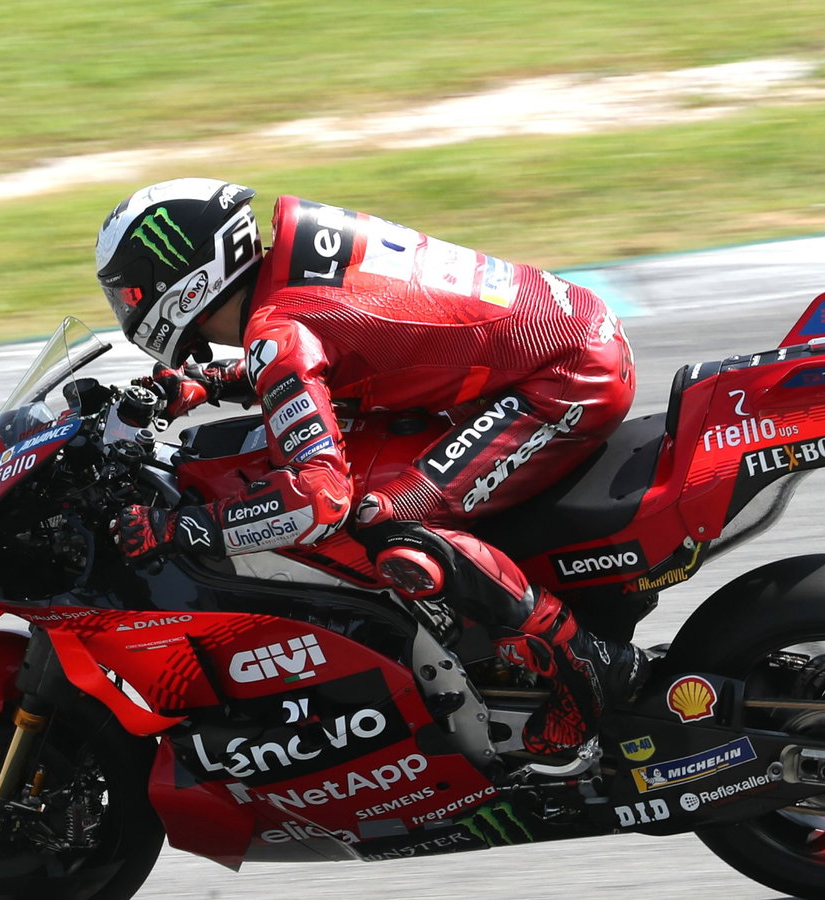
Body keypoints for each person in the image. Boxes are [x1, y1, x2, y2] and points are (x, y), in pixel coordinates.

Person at [96, 177, 649, 755]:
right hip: (565, 331)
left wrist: (184, 528)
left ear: (183, 281)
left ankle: (588, 666)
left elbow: (318, 501)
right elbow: (348, 346)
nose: (129, 308)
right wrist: (205, 383)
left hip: (563, 380)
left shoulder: (277, 328)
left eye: (131, 294)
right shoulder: (291, 268)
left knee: (386, 519)